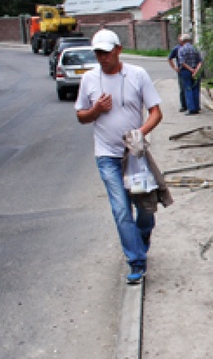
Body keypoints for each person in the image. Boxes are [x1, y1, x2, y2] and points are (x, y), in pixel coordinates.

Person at [75, 29, 163, 285]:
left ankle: (143, 234)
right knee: (121, 210)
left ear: (118, 50)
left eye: (106, 52)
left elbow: (156, 112)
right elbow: (81, 116)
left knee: (145, 208)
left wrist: (139, 133)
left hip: (134, 156)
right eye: (98, 53)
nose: (103, 57)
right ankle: (136, 261)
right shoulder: (90, 80)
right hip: (107, 156)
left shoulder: (137, 75)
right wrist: (96, 110)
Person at [177, 33, 204, 115]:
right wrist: (196, 70)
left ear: (183, 40)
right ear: (189, 40)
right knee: (196, 89)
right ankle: (196, 107)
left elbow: (182, 63)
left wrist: (191, 70)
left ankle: (191, 109)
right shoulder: (195, 48)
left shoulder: (181, 50)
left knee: (188, 89)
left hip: (186, 72)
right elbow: (200, 61)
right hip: (196, 71)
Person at [167, 35, 187, 112]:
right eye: (181, 40)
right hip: (181, 70)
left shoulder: (189, 47)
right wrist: (175, 67)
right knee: (182, 88)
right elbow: (169, 58)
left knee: (188, 88)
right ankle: (183, 105)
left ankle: (189, 105)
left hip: (189, 70)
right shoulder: (177, 48)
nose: (182, 41)